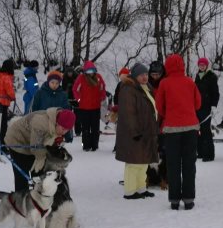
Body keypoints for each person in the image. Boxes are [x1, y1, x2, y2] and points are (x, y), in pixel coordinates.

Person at [155, 54, 201, 210]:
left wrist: (169, 114)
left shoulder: (164, 83)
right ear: (182, 66)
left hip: (172, 129)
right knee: (189, 164)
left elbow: (159, 106)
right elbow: (198, 103)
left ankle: (174, 200)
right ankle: (188, 199)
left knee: (173, 164)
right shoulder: (190, 82)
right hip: (191, 128)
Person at [115, 63, 159, 199]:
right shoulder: (129, 89)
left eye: (146, 74)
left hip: (146, 131)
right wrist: (135, 132)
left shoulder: (145, 88)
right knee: (133, 164)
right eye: (141, 75)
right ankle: (130, 191)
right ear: (135, 76)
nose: (145, 77)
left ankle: (140, 189)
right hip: (134, 133)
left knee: (143, 163)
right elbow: (129, 114)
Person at [4, 108, 76, 192]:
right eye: (63, 129)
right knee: (22, 175)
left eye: (67, 130)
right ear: (57, 123)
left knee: (39, 172)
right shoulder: (41, 123)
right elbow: (36, 148)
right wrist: (52, 160)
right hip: (17, 141)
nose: (64, 132)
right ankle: (20, 200)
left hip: (30, 142)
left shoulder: (57, 121)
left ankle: (38, 197)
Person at [73, 60, 106, 151]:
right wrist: (79, 99)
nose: (90, 73)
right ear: (85, 71)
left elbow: (102, 88)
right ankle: (86, 145)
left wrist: (102, 97)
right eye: (88, 71)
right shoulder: (81, 78)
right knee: (85, 128)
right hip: (84, 108)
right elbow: (75, 89)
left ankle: (95, 145)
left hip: (96, 107)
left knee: (95, 128)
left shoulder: (98, 78)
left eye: (92, 71)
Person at [194, 57, 219, 162]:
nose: (202, 66)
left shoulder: (211, 76)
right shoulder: (197, 76)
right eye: (200, 65)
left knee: (206, 130)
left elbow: (215, 92)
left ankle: (209, 154)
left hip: (207, 107)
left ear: (207, 65)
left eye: (204, 65)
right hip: (197, 107)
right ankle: (200, 152)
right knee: (197, 130)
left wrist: (214, 105)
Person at [0, 58, 16, 145]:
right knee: (3, 126)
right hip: (2, 104)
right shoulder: (6, 77)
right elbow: (9, 90)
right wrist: (13, 97)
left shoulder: (0, 76)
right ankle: (2, 144)